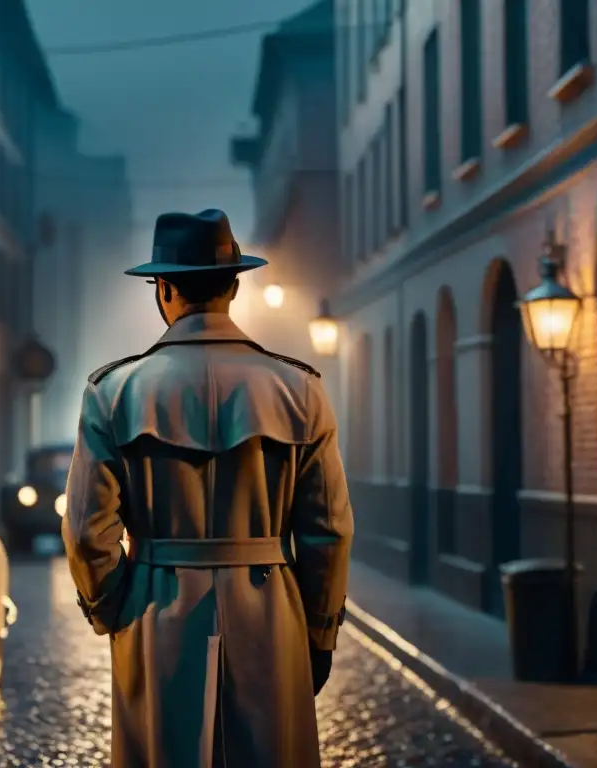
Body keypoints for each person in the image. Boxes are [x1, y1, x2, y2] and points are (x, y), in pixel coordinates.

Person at [61, 209, 353, 768]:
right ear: (235, 285)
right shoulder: (301, 390)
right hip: (271, 614)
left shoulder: (114, 392)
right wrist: (319, 632)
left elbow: (85, 531)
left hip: (155, 610)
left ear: (163, 289)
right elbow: (330, 530)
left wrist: (114, 609)